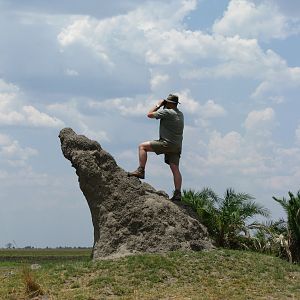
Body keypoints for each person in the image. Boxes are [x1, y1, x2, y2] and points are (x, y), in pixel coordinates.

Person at [128, 94, 184, 201]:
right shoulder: (180, 114)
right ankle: (178, 193)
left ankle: (141, 170)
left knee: (142, 147)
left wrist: (158, 104)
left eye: (167, 102)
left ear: (170, 103)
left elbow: (149, 114)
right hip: (177, 145)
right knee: (175, 168)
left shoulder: (167, 112)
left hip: (166, 143)